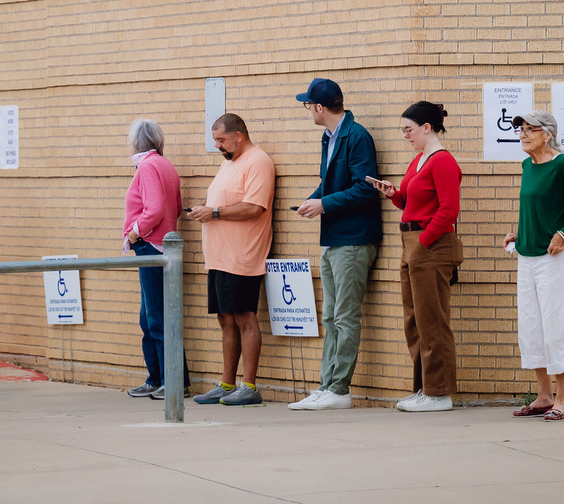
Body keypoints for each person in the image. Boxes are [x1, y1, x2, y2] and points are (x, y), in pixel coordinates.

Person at [290, 78, 382, 410]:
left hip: (354, 240)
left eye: (308, 105)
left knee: (344, 316)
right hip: (333, 239)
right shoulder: (329, 137)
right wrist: (313, 200)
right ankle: (326, 385)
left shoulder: (356, 137)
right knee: (330, 316)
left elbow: (365, 187)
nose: (308, 110)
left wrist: (324, 204)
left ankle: (340, 388)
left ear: (319, 107)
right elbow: (327, 183)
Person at [504, 110, 564, 422]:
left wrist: (563, 233)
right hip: (526, 256)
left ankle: (562, 399)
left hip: (553, 259)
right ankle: (542, 396)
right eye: (521, 130)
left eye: (531, 129)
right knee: (531, 327)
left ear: (547, 134)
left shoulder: (562, 164)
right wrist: (520, 233)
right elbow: (536, 207)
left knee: (554, 326)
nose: (524, 134)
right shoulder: (527, 165)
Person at [372, 101, 463, 412]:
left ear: (427, 127)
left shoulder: (442, 161)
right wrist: (394, 194)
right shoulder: (418, 161)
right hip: (412, 241)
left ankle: (439, 393)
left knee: (432, 320)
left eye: (408, 130)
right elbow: (411, 202)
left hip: (429, 244)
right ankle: (424, 388)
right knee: (414, 320)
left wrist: (423, 241)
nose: (406, 136)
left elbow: (449, 209)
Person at [188, 113, 275, 406]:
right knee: (225, 320)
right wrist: (206, 208)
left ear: (238, 136)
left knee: (244, 317)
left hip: (243, 255)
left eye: (221, 140)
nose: (218, 146)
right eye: (215, 140)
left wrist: (213, 213)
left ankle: (249, 386)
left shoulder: (258, 161)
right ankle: (227, 384)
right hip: (218, 257)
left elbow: (254, 207)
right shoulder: (228, 163)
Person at [122, 118, 191, 400]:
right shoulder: (165, 164)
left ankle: (171, 381)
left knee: (157, 318)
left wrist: (136, 233)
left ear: (137, 141)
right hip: (162, 245)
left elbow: (154, 209)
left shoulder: (148, 166)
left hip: (151, 246)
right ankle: (157, 378)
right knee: (151, 317)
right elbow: (172, 209)